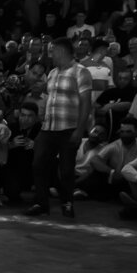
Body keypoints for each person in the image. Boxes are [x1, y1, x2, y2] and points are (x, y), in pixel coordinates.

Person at [26, 37, 92, 218]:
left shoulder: (81, 72)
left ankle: (67, 202)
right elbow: (50, 98)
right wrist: (42, 114)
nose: (50, 55)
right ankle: (42, 203)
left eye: (51, 51)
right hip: (48, 127)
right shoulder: (53, 72)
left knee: (66, 169)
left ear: (61, 51)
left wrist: (80, 130)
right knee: (38, 164)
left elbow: (86, 103)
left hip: (69, 128)